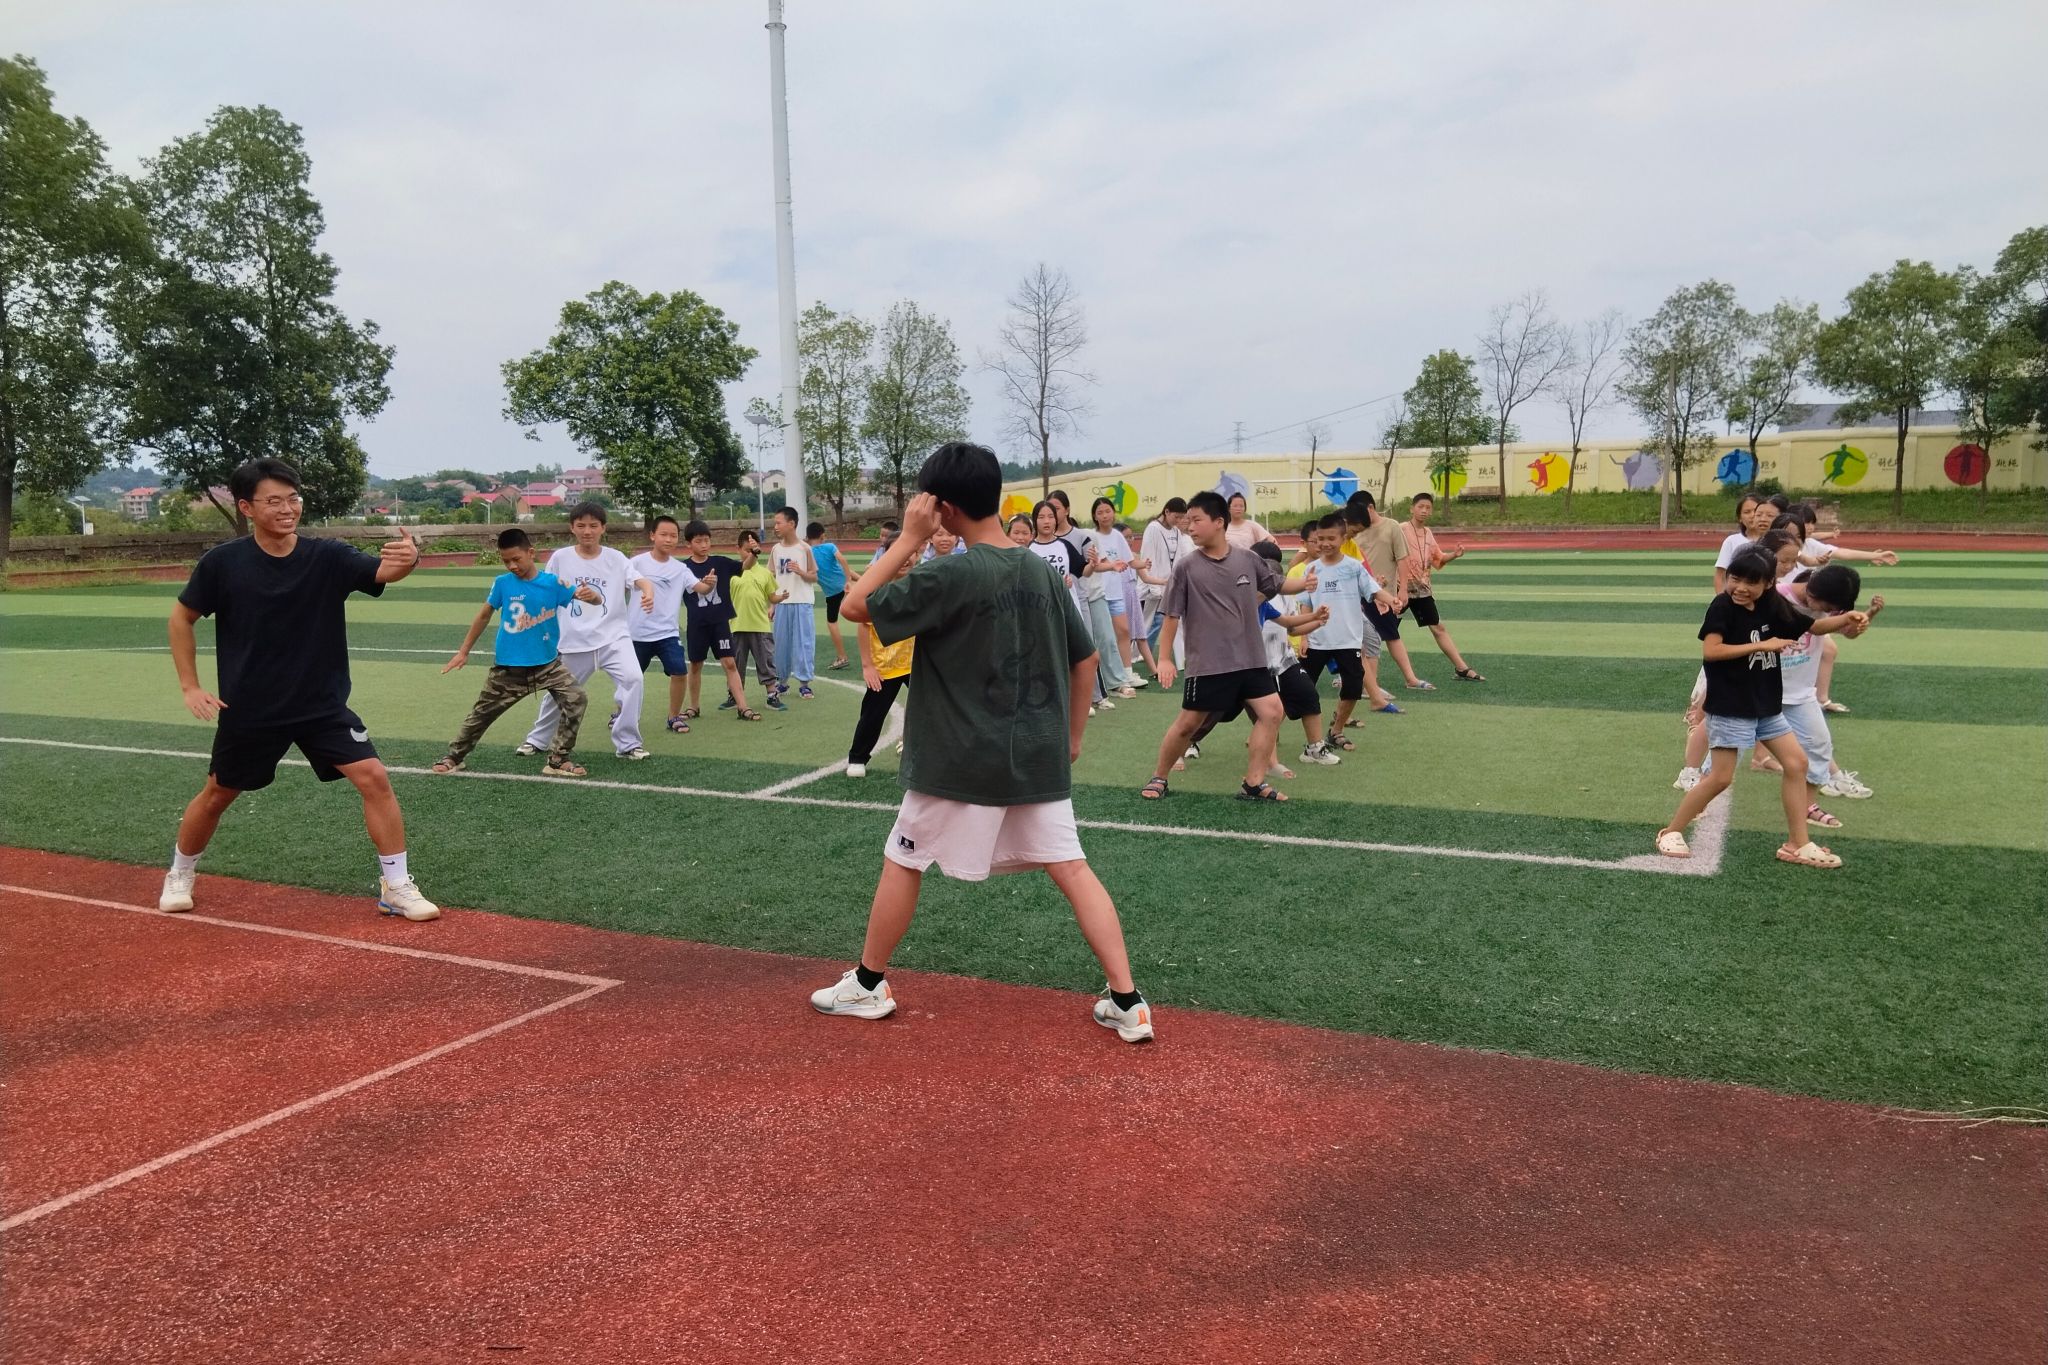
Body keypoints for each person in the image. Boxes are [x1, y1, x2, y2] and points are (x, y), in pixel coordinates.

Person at [808, 442, 1154, 1044]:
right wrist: (1072, 738)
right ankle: (1128, 1000)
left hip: (958, 756)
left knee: (903, 858)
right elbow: (1087, 660)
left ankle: (867, 984)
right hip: (1037, 753)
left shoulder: (950, 572)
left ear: (940, 506)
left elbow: (856, 604)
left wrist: (910, 537)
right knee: (1072, 867)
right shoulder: (1040, 571)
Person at [158, 457, 438, 921]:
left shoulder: (327, 556)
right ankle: (180, 872)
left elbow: (382, 572)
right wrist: (190, 686)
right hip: (251, 708)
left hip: (321, 705)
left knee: (374, 777)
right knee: (218, 794)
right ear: (246, 507)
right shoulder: (223, 564)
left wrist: (409, 560)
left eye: (293, 499)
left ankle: (396, 885)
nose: (287, 509)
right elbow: (180, 618)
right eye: (274, 501)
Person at [1655, 546, 1868, 869]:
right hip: (1731, 704)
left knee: (1797, 764)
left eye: (1751, 582)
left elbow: (1811, 628)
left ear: (1768, 584)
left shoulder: (1772, 603)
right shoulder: (1722, 606)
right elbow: (1712, 651)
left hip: (1765, 704)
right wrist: (1763, 645)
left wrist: (1846, 619)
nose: (1740, 587)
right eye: (1735, 578)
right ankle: (1671, 831)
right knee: (1720, 778)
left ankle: (1797, 844)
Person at [1144, 490, 1319, 802]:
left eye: (1196, 520)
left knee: (1272, 712)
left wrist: (1304, 584)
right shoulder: (1186, 567)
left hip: (1251, 659)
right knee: (1188, 725)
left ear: (1219, 522)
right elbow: (1171, 616)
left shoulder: (1247, 559)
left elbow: (1277, 585)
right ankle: (1159, 777)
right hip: (1209, 662)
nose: (1190, 527)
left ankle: (1254, 783)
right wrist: (1165, 658)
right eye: (1187, 521)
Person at [435, 528, 603, 778]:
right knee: (481, 715)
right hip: (509, 669)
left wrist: (593, 596)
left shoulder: (553, 583)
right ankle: (454, 757)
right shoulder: (503, 583)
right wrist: (463, 651)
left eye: (516, 559)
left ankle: (558, 760)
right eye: (506, 561)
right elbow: (484, 615)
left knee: (576, 698)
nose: (512, 566)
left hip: (548, 666)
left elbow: (594, 601)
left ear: (531, 553)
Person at [1182, 542, 1340, 775]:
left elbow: (1288, 623)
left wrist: (1316, 618)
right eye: (1267, 587)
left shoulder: (1266, 605)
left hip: (1264, 666)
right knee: (1206, 714)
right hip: (1230, 668)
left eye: (1273, 588)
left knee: (1271, 713)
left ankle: (1276, 762)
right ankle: (1182, 748)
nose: (1270, 592)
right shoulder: (1232, 603)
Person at [517, 501, 655, 762]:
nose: (587, 531)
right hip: (574, 641)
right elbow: (546, 590)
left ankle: (628, 743)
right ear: (572, 528)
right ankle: (537, 739)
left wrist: (648, 592)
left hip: (614, 638)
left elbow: (640, 580)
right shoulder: (561, 558)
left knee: (633, 679)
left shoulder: (615, 558)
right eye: (581, 526)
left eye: (593, 525)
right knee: (559, 692)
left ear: (603, 528)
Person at [1777, 564, 1884, 812]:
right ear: (1812, 593)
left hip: (1800, 692)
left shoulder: (1828, 603)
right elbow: (1812, 627)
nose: (1827, 612)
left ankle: (1807, 807)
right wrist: (1845, 618)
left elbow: (1848, 631)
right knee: (1729, 746)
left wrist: (1866, 616)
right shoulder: (1778, 596)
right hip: (1761, 687)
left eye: (1832, 609)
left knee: (1819, 745)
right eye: (1825, 607)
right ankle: (1701, 788)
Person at [1301, 514, 1397, 753]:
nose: (1325, 543)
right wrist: (1303, 636)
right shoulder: (1311, 569)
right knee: (1299, 688)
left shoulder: (1353, 567)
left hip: (1348, 641)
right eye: (1320, 538)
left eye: (1331, 538)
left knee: (1353, 688)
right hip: (1317, 640)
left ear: (1343, 538)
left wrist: (1391, 600)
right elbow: (1306, 605)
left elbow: (1373, 590)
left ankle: (1336, 731)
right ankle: (1271, 732)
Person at [678, 520, 760, 721]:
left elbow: (745, 566)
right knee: (695, 665)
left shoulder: (720, 563)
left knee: (729, 663)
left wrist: (754, 553)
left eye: (707, 540)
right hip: (697, 625)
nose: (704, 545)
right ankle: (693, 707)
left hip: (720, 623)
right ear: (688, 544)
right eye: (698, 541)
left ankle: (743, 707)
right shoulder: (682, 569)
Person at [1352, 492, 1432, 694]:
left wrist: (1402, 589)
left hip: (1382, 594)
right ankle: (1365, 684)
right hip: (1356, 594)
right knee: (1359, 639)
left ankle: (1410, 678)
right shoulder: (1354, 530)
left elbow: (1402, 558)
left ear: (1370, 507)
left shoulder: (1391, 526)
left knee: (1391, 635)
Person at [628, 515, 700, 736]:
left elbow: (699, 588)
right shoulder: (636, 563)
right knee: (630, 678)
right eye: (664, 534)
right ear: (652, 535)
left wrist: (708, 584)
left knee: (679, 672)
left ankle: (673, 717)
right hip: (637, 633)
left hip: (667, 633)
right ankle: (621, 713)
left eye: (673, 536)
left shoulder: (680, 568)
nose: (669, 539)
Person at [1401, 492, 1484, 682]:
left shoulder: (1428, 533)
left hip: (1422, 590)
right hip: (1400, 589)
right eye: (1420, 507)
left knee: (1438, 628)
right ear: (1412, 509)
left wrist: (1454, 554)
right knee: (1380, 631)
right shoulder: (1401, 529)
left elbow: (1438, 558)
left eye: (1428, 508)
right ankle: (1350, 672)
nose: (1424, 511)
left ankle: (1462, 668)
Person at [845, 554, 914, 778]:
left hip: (917, 663)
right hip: (884, 665)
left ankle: (919, 752)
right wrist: (868, 666)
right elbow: (863, 626)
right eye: (900, 554)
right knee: (873, 714)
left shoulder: (920, 583)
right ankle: (857, 757)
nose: (906, 559)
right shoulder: (877, 589)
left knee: (935, 708)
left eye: (911, 554)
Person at [1082, 496, 1139, 698]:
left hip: (1113, 592)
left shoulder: (1116, 536)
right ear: (1094, 516)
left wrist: (1144, 566)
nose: (1105, 515)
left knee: (1121, 632)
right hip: (1097, 593)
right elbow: (1097, 565)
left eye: (1108, 511)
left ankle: (1125, 674)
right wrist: (1111, 566)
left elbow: (1129, 561)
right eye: (1100, 512)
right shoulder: (1089, 536)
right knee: (1103, 638)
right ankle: (1106, 680)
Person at [728, 528, 787, 712]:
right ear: (738, 549)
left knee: (766, 661)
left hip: (760, 625)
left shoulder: (764, 573)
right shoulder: (733, 572)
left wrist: (781, 597)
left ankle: (772, 694)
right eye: (746, 550)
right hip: (737, 625)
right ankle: (734, 695)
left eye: (752, 550)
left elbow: (771, 596)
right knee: (736, 664)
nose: (749, 554)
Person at [770, 506, 819, 699]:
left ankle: (804, 684)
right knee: (780, 644)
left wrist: (801, 572)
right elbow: (772, 579)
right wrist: (772, 604)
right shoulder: (776, 549)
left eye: (778, 522)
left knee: (803, 643)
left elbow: (814, 577)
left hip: (802, 602)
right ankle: (782, 682)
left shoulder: (804, 548)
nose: (775, 526)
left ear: (791, 524)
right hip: (782, 604)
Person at [1138, 498, 1189, 671]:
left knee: (1174, 622)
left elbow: (1181, 557)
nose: (1179, 520)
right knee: (1145, 624)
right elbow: (1147, 558)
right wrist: (1154, 587)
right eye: (1176, 516)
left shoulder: (1176, 531)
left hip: (1170, 585)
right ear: (1166, 512)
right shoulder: (1153, 529)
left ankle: (1181, 662)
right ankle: (1135, 656)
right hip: (1152, 587)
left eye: (1182, 517)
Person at [807, 521, 852, 670]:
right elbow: (843, 561)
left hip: (833, 593)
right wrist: (849, 580)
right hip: (843, 585)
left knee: (832, 623)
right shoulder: (830, 546)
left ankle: (842, 657)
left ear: (808, 537)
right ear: (822, 536)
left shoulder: (807, 552)